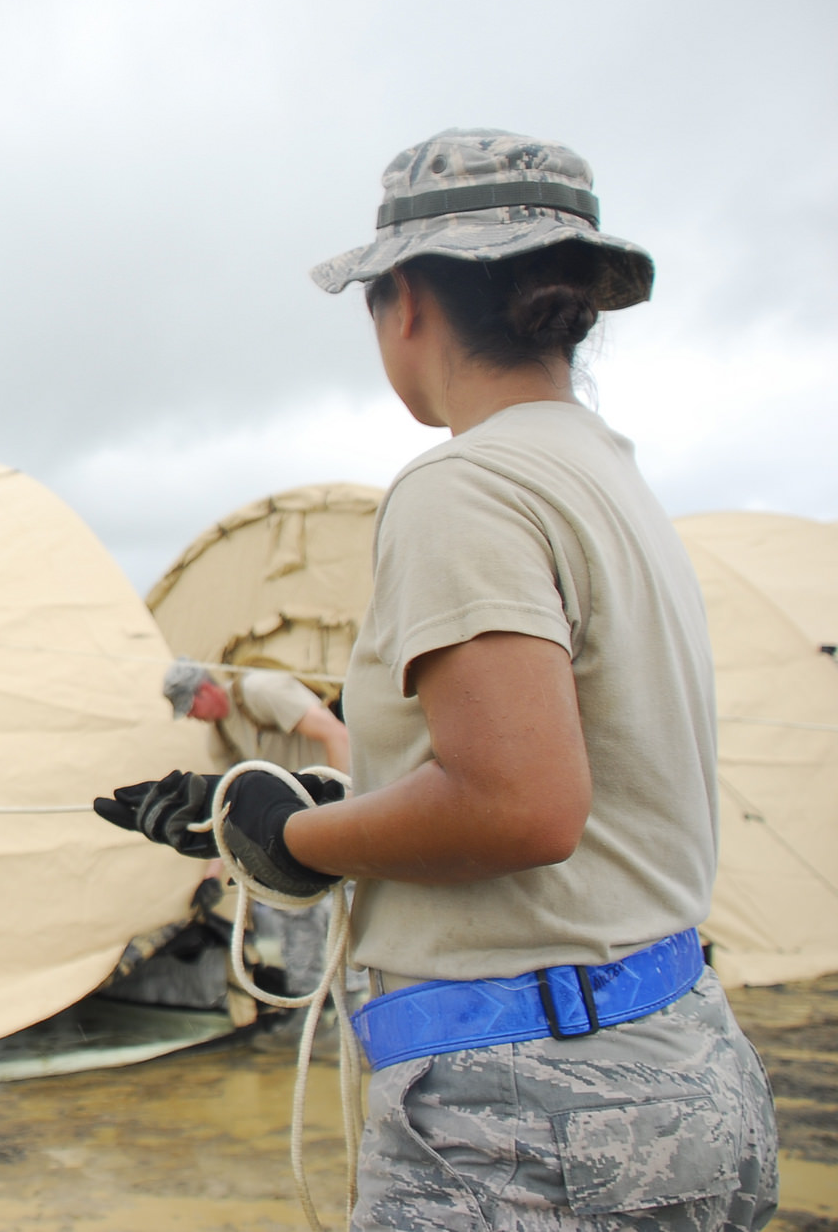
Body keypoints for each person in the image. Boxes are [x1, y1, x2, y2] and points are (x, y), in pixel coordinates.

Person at [100, 129, 777, 1231]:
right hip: (675, 1067)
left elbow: (518, 803)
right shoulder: (608, 478)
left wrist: (289, 837)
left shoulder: (464, 487)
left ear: (404, 300)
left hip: (528, 1116)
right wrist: (325, 806)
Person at [162, 657, 350, 1007]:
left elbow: (336, 734)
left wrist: (345, 812)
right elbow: (228, 810)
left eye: (190, 706)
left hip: (334, 809)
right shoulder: (220, 738)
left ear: (206, 689)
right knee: (293, 913)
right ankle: (311, 1005)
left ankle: (354, 1006)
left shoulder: (261, 691)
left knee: (349, 920)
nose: (191, 716)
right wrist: (212, 878)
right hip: (294, 829)